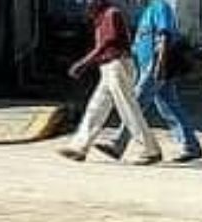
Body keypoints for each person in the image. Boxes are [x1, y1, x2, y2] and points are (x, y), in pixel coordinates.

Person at [95, 0, 202, 164]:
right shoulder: (147, 12)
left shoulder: (160, 6)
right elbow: (140, 43)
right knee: (169, 107)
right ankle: (191, 146)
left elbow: (165, 35)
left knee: (135, 104)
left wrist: (160, 64)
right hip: (147, 66)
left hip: (155, 65)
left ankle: (119, 143)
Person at [59, 0, 162, 165]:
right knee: (96, 108)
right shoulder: (102, 16)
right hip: (109, 67)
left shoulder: (111, 13)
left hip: (117, 65)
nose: (86, 5)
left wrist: (83, 63)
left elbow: (106, 43)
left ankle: (150, 149)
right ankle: (79, 147)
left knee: (128, 108)